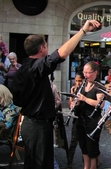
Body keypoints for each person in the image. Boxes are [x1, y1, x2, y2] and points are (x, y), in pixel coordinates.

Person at [11, 20, 100, 169]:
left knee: (33, 163)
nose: (48, 48)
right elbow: (61, 53)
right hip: (38, 127)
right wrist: (83, 31)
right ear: (41, 48)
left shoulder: (22, 69)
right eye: (46, 45)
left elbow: (17, 100)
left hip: (31, 124)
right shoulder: (36, 67)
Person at [75, 61, 104, 169]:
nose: (86, 75)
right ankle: (86, 166)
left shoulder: (98, 86)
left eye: (88, 72)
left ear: (95, 72)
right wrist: (75, 102)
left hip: (93, 121)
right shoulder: (83, 84)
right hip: (81, 119)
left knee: (92, 147)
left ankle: (93, 167)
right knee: (83, 146)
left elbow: (100, 104)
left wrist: (85, 99)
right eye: (84, 72)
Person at [67, 71, 84, 169]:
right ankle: (69, 163)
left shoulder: (85, 90)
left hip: (84, 118)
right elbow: (70, 107)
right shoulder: (74, 89)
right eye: (76, 81)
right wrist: (72, 96)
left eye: (80, 81)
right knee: (73, 142)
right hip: (76, 119)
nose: (78, 83)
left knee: (84, 144)